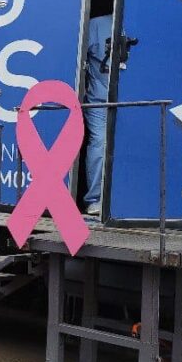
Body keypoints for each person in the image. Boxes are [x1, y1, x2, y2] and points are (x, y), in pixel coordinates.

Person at [83, 14, 113, 217]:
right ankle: (95, 199)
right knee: (100, 142)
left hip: (131, 100)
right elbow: (75, 56)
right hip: (98, 100)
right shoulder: (96, 25)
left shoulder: (140, 23)